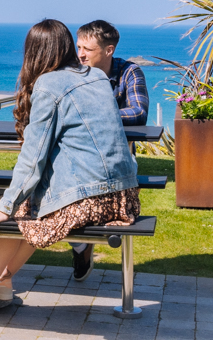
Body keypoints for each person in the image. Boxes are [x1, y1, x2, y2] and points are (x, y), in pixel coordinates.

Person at [0, 19, 141, 310]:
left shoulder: (49, 84)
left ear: (35, 54)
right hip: (123, 199)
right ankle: (2, 279)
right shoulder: (97, 76)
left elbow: (33, 155)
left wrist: (4, 208)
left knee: (21, 210)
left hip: (90, 197)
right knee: (33, 204)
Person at [69, 19, 148, 279]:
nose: (80, 54)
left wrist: (94, 115)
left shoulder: (129, 72)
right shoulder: (73, 70)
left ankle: (82, 244)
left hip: (117, 159)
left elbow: (139, 113)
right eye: (78, 46)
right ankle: (81, 243)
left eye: (87, 50)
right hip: (77, 155)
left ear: (109, 50)